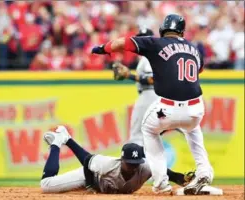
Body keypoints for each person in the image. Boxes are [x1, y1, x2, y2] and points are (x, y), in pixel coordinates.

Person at [92, 14, 214, 195]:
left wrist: (103, 48)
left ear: (163, 29)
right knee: (193, 130)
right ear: (181, 31)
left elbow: (122, 43)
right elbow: (199, 69)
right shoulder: (193, 48)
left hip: (168, 106)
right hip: (196, 107)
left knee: (149, 130)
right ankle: (204, 172)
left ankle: (161, 183)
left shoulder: (155, 43)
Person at [40, 126, 193, 194]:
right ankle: (59, 141)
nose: (133, 167)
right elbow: (87, 160)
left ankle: (65, 138)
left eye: (136, 163)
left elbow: (171, 174)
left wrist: (187, 181)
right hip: (93, 176)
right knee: (46, 186)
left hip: (104, 185)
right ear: (122, 160)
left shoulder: (145, 168)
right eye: (129, 163)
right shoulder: (108, 164)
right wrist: (90, 184)